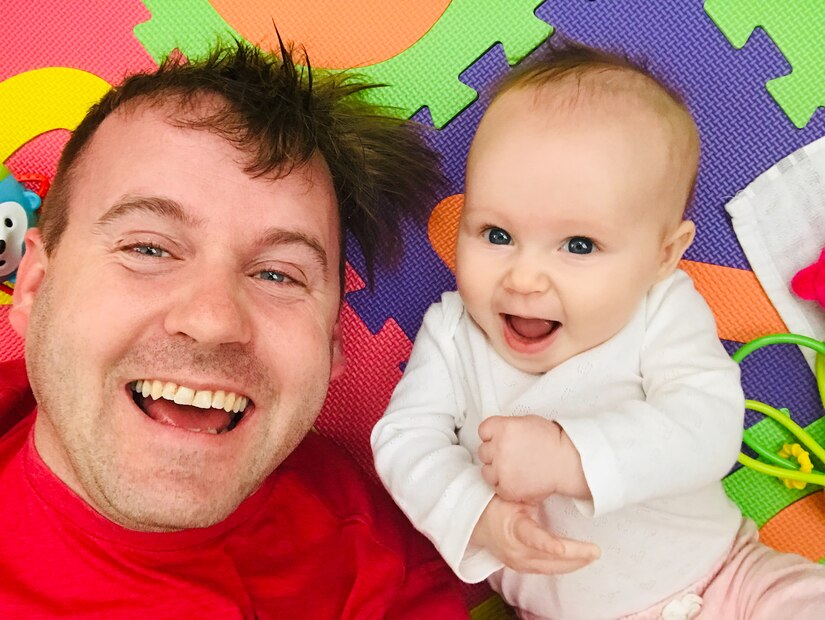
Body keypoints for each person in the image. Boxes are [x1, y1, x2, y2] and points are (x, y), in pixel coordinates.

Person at [0, 36, 468, 618]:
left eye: (277, 275)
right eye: (148, 247)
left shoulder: (381, 583)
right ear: (35, 286)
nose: (213, 320)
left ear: (330, 345)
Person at [372, 42, 825, 619]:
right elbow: (404, 440)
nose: (525, 276)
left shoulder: (661, 309)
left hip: (729, 578)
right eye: (495, 234)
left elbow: (707, 426)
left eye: (579, 245)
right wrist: (475, 513)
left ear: (662, 256)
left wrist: (571, 457)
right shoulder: (452, 333)